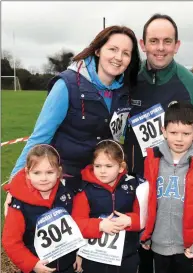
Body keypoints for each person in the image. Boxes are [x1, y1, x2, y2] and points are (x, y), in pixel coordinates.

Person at [4, 25, 141, 214]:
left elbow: (125, 133)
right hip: (63, 182)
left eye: (126, 53)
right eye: (113, 49)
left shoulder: (124, 92)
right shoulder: (67, 85)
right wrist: (15, 185)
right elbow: (40, 137)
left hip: (98, 183)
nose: (119, 57)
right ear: (98, 50)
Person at [123, 13, 193, 273]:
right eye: (154, 41)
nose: (160, 47)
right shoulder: (127, 80)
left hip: (180, 196)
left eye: (167, 41)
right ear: (143, 43)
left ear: (177, 45)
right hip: (137, 194)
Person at [140, 101, 193, 273]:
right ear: (164, 131)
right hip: (157, 244)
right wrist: (145, 235)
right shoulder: (151, 161)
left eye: (186, 133)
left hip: (189, 247)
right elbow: (145, 201)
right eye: (174, 132)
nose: (179, 138)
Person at [2, 144, 83, 273]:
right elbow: (11, 241)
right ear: (27, 173)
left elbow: (76, 228)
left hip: (66, 270)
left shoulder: (67, 195)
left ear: (59, 172)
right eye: (37, 173)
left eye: (49, 172)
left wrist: (78, 253)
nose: (44, 178)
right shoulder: (19, 205)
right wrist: (32, 264)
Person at [72, 140, 148, 273]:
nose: (102, 171)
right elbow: (76, 224)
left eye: (109, 166)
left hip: (126, 255)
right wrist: (99, 225)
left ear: (121, 167)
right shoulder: (84, 190)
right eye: (98, 166)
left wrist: (131, 221)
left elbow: (145, 216)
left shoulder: (134, 186)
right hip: (94, 258)